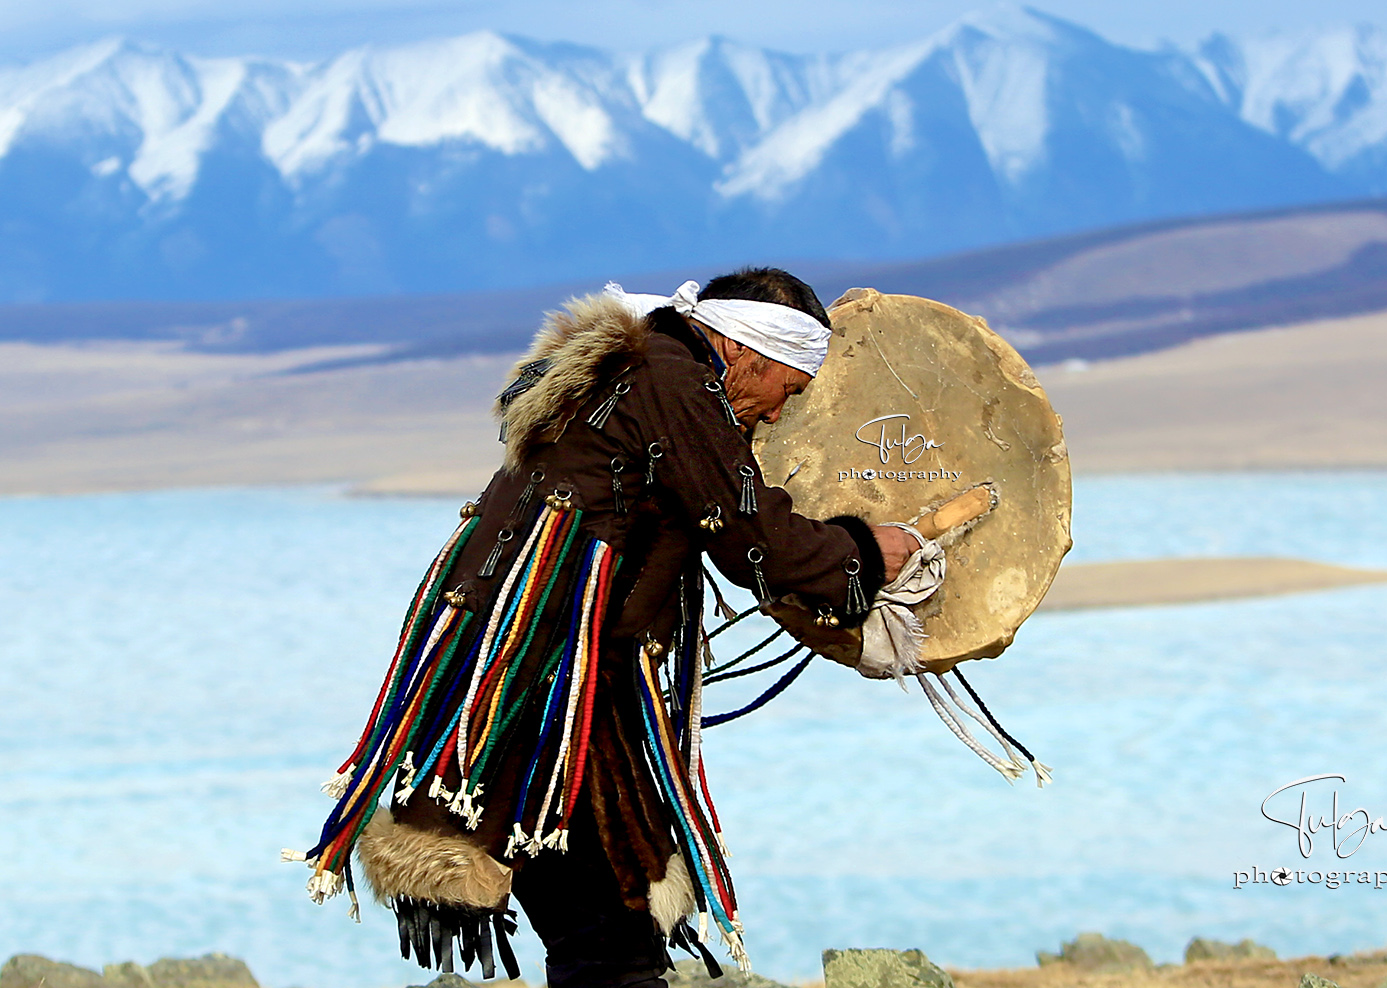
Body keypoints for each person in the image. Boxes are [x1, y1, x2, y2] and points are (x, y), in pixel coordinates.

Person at [292, 268, 918, 988]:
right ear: (750, 350)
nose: (779, 414)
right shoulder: (674, 385)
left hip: (540, 679)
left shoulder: (642, 369)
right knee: (608, 938)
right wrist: (867, 552)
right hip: (547, 697)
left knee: (604, 926)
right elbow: (750, 535)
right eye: (792, 388)